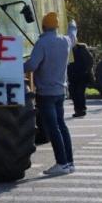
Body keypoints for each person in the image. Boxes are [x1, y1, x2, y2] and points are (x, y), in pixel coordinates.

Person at [24, 12, 78, 175]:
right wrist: (73, 23)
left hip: (45, 93)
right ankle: (69, 162)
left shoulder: (42, 43)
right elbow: (73, 35)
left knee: (53, 128)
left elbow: (32, 65)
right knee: (61, 126)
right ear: (56, 26)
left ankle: (61, 163)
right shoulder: (65, 41)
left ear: (44, 26)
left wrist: (15, 66)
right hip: (60, 91)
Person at [68, 41, 93, 118]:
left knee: (77, 93)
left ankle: (79, 110)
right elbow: (90, 62)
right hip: (79, 75)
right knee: (78, 93)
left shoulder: (76, 50)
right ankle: (80, 109)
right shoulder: (82, 50)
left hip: (77, 75)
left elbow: (89, 61)